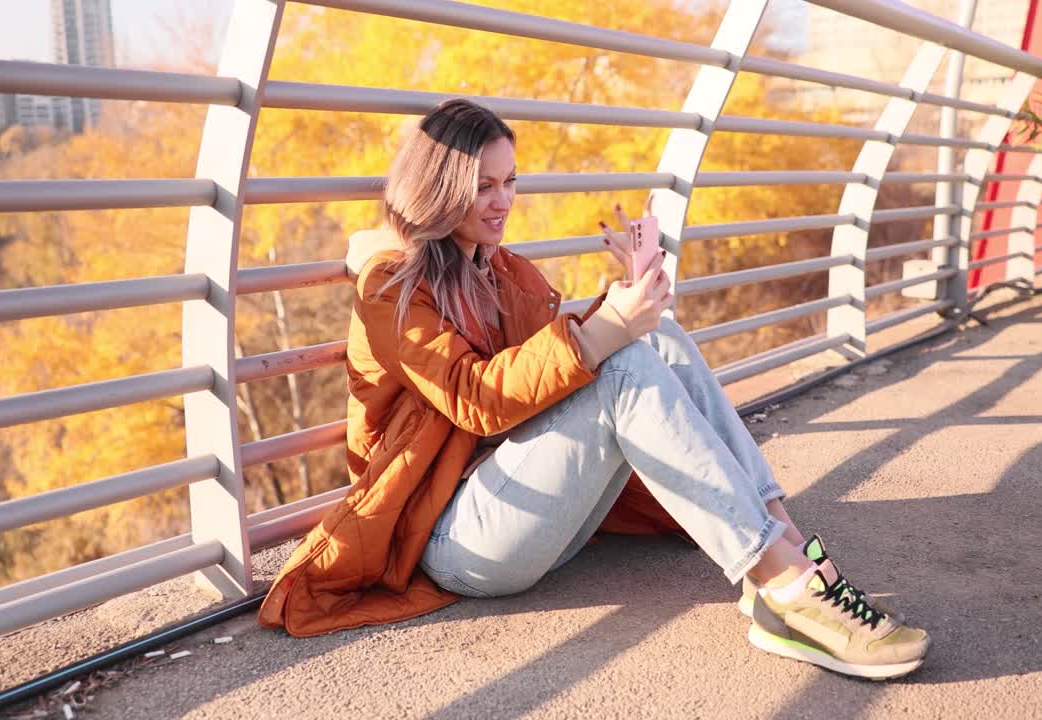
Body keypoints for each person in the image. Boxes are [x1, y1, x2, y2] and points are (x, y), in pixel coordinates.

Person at [258, 98, 929, 680]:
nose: (502, 201)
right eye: (483, 185)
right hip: (453, 541)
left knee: (657, 341)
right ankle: (785, 588)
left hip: (527, 511)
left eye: (510, 182)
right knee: (628, 358)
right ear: (438, 189)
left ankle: (793, 563)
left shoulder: (495, 269)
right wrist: (608, 326)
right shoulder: (391, 287)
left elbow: (556, 368)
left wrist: (621, 302)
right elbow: (479, 399)